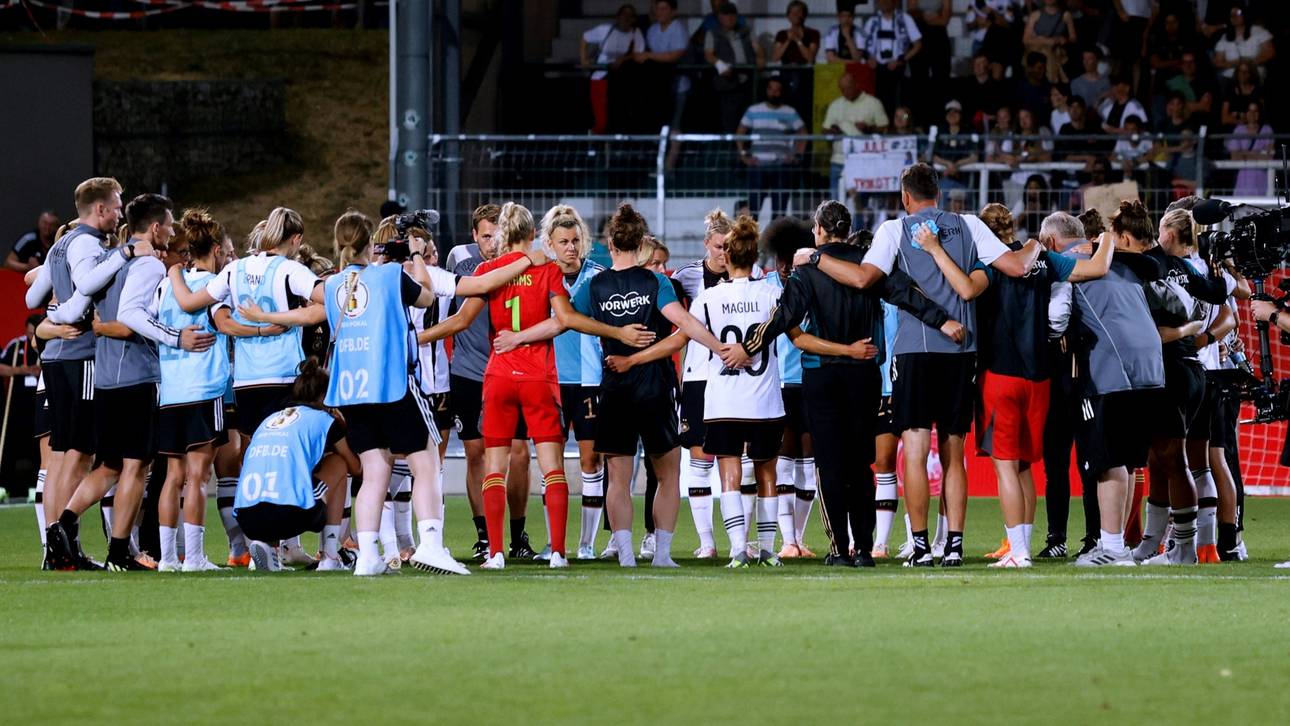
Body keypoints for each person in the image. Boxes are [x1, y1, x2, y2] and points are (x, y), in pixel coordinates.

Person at [244, 210, 534, 576]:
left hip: (352, 391)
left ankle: (367, 555)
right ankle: (430, 544)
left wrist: (261, 316)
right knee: (425, 462)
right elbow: (436, 296)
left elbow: (309, 316)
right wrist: (525, 258)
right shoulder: (396, 276)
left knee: (374, 470)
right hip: (393, 383)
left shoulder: (334, 283)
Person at [797, 164, 1041, 567]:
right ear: (939, 195)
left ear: (905, 197)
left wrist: (816, 258)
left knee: (913, 449)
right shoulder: (968, 225)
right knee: (953, 451)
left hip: (914, 351)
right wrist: (1035, 244)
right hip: (962, 353)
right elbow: (1016, 266)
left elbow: (862, 279)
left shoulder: (895, 229)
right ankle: (956, 545)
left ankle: (922, 546)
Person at [741, 200, 962, 566]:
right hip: (864, 374)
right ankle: (864, 549)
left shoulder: (807, 270)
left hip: (822, 375)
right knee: (861, 463)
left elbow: (785, 317)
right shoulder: (870, 264)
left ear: (820, 230)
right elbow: (908, 295)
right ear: (848, 228)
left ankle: (839, 549)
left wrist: (747, 346)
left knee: (829, 464)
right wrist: (943, 321)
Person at [916, 204, 1113, 567]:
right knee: (1023, 466)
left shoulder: (991, 266)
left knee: (1006, 467)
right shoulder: (1046, 261)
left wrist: (934, 249)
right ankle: (1021, 546)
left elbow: (963, 289)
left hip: (1001, 375)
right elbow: (1100, 268)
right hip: (1040, 378)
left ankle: (1018, 552)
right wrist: (1108, 237)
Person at [48, 193, 216, 572]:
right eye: (170, 226)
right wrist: (175, 337)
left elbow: (86, 305)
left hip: (107, 375)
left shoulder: (111, 260)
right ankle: (120, 551)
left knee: (109, 466)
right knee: (136, 466)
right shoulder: (147, 265)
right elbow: (130, 314)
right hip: (136, 376)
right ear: (155, 228)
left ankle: (63, 525)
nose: (172, 233)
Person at [575, 203, 732, 568]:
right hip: (655, 389)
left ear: (610, 243)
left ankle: (627, 556)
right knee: (668, 474)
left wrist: (520, 338)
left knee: (618, 477)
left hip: (614, 388)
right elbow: (684, 324)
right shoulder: (656, 282)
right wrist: (719, 347)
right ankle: (662, 555)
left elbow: (563, 318)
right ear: (640, 241)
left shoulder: (595, 285)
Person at [1050, 200, 1166, 567]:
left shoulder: (1069, 265)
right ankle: (1118, 544)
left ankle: (1112, 548)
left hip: (1113, 370)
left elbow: (1056, 320)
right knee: (1128, 461)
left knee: (1106, 462)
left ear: (1052, 242)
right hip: (1152, 367)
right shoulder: (1121, 262)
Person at [491, 205, 606, 560]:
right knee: (548, 461)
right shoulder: (544, 274)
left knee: (591, 462)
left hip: (588, 380)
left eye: (575, 241)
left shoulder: (598, 276)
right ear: (549, 244)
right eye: (563, 242)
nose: (570, 247)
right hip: (549, 379)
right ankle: (553, 543)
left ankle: (586, 544)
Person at [26, 178, 124, 569]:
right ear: (100, 209)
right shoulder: (87, 243)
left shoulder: (60, 245)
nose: (120, 211)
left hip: (57, 358)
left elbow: (32, 297)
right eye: (117, 205)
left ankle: (56, 548)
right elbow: (85, 286)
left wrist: (54, 314)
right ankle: (64, 545)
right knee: (79, 456)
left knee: (64, 456)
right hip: (81, 355)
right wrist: (123, 256)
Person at [445, 204, 537, 560]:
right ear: (474, 236)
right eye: (485, 235)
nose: (492, 241)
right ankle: (484, 535)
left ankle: (517, 536)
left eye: (497, 234)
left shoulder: (521, 264)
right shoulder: (461, 262)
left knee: (518, 454)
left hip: (511, 370)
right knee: (476, 453)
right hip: (469, 371)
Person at [154, 209, 242, 572]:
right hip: (204, 388)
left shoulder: (164, 285)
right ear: (218, 249)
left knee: (173, 476)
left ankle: (167, 559)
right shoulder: (215, 286)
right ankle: (193, 557)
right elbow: (223, 322)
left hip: (170, 389)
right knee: (198, 475)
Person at [232, 359, 359, 572]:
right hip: (289, 514)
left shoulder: (269, 420)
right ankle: (329, 555)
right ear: (323, 396)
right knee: (338, 463)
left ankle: (268, 549)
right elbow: (356, 468)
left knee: (284, 474)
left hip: (247, 517)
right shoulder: (324, 420)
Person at [671, 209, 734, 559]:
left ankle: (739, 539)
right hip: (697, 375)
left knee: (735, 457)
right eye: (719, 246)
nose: (724, 253)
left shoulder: (748, 276)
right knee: (699, 458)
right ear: (707, 243)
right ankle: (706, 542)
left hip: (734, 377)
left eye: (730, 247)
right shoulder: (687, 277)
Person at [759, 218, 819, 558]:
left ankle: (797, 537)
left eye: (789, 258)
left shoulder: (813, 284)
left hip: (809, 380)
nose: (783, 266)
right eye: (779, 259)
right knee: (782, 461)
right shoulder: (763, 286)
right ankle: (787, 540)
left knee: (806, 464)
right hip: (776, 384)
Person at [737, 77, 806, 219]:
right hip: (758, 164)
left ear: (781, 92)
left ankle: (775, 240)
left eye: (777, 90)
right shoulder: (754, 110)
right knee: (753, 208)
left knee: (779, 210)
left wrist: (797, 155)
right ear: (766, 90)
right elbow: (740, 133)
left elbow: (803, 133)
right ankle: (751, 240)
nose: (774, 93)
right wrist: (744, 156)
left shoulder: (790, 112)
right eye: (771, 89)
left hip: (781, 165)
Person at [580, 3, 646, 134]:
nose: (626, 18)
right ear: (618, 17)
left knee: (616, 117)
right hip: (601, 77)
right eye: (624, 15)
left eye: (630, 16)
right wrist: (584, 60)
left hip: (621, 80)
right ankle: (594, 141)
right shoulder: (605, 30)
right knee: (601, 119)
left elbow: (639, 54)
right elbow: (585, 38)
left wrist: (623, 59)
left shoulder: (636, 33)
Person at [822, 72, 890, 196]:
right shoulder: (835, 105)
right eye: (842, 89)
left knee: (860, 204)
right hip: (838, 160)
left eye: (848, 88)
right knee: (834, 204)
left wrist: (869, 129)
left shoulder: (873, 103)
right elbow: (825, 129)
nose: (845, 92)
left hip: (864, 161)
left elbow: (885, 128)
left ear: (856, 85)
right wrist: (833, 131)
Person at [704, 2, 764, 134]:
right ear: (720, 17)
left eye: (732, 15)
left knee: (749, 120)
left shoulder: (746, 31)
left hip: (748, 83)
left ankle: (746, 150)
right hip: (727, 84)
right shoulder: (712, 33)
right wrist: (720, 65)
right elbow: (708, 54)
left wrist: (760, 58)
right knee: (729, 121)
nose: (729, 18)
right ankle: (730, 151)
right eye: (726, 15)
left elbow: (757, 47)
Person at [861, 0, 922, 114]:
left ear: (895, 2)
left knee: (903, 105)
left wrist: (901, 60)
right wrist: (869, 58)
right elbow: (861, 46)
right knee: (879, 104)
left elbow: (918, 45)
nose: (884, 2)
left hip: (899, 69)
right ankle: (882, 128)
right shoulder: (871, 21)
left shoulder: (905, 19)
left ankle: (904, 126)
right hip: (877, 70)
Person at [1213, 4, 1275, 80]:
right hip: (1230, 77)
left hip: (1254, 74)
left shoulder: (1258, 31)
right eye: (1231, 14)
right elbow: (1218, 62)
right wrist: (1236, 63)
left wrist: (1248, 64)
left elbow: (1269, 53)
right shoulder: (1225, 37)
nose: (1234, 16)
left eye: (1238, 13)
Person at [1225, 101, 1274, 196]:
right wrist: (1258, 153)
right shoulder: (1239, 130)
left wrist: (1244, 153)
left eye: (1256, 111)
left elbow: (1269, 157)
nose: (1252, 114)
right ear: (1246, 113)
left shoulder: (1267, 130)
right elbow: (1234, 157)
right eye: (1250, 111)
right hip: (1243, 181)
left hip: (1261, 180)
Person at [1023, 0, 1076, 83]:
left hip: (1057, 51)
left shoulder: (1065, 15)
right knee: (1045, 53)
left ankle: (1053, 81)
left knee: (1052, 54)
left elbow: (1073, 38)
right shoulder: (1035, 15)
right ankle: (1053, 80)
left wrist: (1063, 39)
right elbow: (1025, 39)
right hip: (1039, 50)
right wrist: (1043, 40)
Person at [931, 100, 978, 192]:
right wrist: (948, 164)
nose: (952, 114)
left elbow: (974, 157)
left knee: (963, 205)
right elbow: (934, 157)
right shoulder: (940, 133)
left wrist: (956, 165)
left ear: (961, 115)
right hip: (943, 179)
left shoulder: (969, 132)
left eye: (955, 112)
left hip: (964, 181)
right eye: (949, 112)